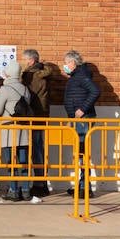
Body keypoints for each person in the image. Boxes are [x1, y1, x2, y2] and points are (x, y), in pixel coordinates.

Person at [0, 65, 38, 203]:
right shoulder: (25, 89)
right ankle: (25, 190)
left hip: (8, 130)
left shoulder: (4, 90)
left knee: (11, 161)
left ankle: (13, 190)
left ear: (7, 74)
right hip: (23, 129)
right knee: (23, 161)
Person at [63, 50, 100, 198]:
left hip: (84, 120)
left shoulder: (81, 76)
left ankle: (85, 187)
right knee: (80, 153)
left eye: (66, 63)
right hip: (77, 120)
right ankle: (82, 184)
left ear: (72, 63)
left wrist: (82, 110)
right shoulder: (76, 76)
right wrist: (71, 118)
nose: (64, 66)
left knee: (82, 153)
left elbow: (95, 91)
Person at [20, 49, 56, 198]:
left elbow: (28, 95)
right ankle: (41, 182)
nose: (21, 62)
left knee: (35, 149)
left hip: (33, 115)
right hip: (42, 114)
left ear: (31, 61)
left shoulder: (32, 76)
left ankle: (39, 184)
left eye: (23, 59)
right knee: (39, 148)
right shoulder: (43, 73)